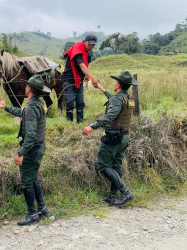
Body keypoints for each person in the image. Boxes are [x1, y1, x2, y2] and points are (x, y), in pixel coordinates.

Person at [0, 75, 50, 226]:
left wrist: (20, 153)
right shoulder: (38, 103)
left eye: (27, 85)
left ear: (29, 89)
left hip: (31, 149)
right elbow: (22, 113)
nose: (25, 87)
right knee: (33, 178)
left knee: (26, 182)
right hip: (38, 147)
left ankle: (32, 214)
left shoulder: (31, 107)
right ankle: (42, 209)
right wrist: (5, 107)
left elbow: (30, 135)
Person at [82, 71, 138, 207]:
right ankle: (112, 196)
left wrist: (92, 126)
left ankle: (125, 192)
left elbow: (110, 116)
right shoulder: (128, 99)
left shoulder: (118, 100)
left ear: (118, 85)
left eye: (115, 82)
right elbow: (113, 99)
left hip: (113, 137)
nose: (114, 83)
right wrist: (101, 88)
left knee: (103, 166)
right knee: (116, 167)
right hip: (124, 137)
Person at [62, 34, 100, 123]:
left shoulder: (87, 52)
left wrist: (86, 75)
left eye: (93, 45)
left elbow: (83, 67)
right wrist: (92, 78)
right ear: (85, 41)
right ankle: (69, 125)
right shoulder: (78, 47)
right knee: (70, 103)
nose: (91, 47)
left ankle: (80, 124)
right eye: (90, 44)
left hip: (79, 80)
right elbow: (82, 66)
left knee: (80, 103)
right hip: (70, 80)